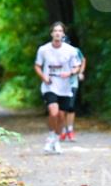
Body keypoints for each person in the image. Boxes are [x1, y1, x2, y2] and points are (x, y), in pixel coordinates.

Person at [34, 22, 79, 154]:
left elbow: (76, 66)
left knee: (61, 116)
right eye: (55, 31)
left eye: (60, 31)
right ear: (51, 33)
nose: (58, 33)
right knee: (53, 112)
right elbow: (37, 65)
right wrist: (43, 77)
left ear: (63, 34)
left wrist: (70, 73)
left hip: (65, 87)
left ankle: (56, 140)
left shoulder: (70, 51)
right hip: (49, 86)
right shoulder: (43, 49)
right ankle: (51, 137)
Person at [61, 44, 85, 141]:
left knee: (70, 107)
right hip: (59, 84)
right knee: (61, 109)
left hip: (72, 83)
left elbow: (83, 60)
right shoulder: (55, 50)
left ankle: (70, 130)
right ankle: (62, 131)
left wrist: (80, 72)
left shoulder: (75, 50)